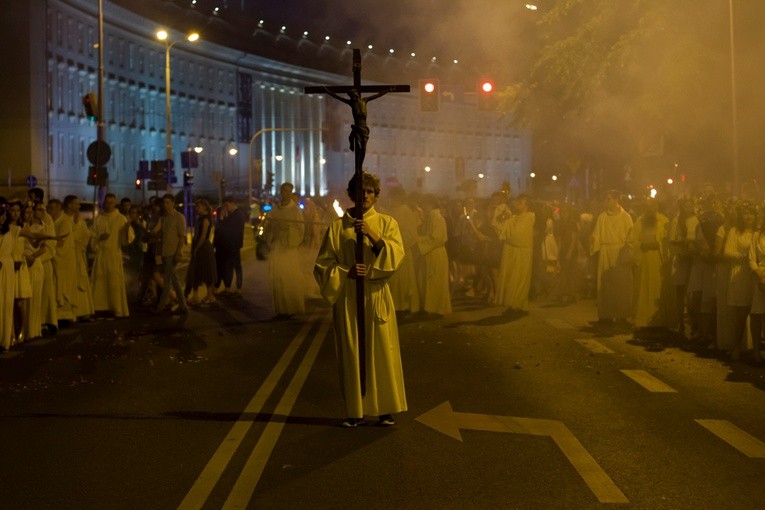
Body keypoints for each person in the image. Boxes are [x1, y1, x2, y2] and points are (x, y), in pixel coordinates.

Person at [314, 171, 407, 427]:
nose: (365, 195)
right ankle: (355, 411)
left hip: (376, 294)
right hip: (349, 297)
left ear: (376, 195)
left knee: (381, 351)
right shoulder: (337, 227)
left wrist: (371, 234)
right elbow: (323, 264)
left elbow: (396, 256)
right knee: (353, 352)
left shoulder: (387, 223)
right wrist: (346, 272)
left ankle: (385, 408)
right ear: (351, 194)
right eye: (360, 190)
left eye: (370, 191)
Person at [591, 190, 634, 326]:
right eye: (606, 199)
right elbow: (596, 235)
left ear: (616, 200)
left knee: (621, 285)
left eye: (609, 199)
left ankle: (622, 315)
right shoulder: (602, 217)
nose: (607, 202)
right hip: (606, 252)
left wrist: (629, 254)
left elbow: (631, 237)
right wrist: (595, 250)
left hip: (620, 253)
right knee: (605, 284)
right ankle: (606, 315)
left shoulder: (626, 217)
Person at [267, 182, 306, 318]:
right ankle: (281, 310)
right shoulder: (275, 209)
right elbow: (269, 226)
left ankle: (290, 309)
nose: (285, 193)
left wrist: (288, 229)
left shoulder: (296, 210)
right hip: (277, 247)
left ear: (291, 193)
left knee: (288, 279)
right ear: (280, 192)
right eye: (283, 191)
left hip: (289, 249)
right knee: (277, 278)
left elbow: (301, 230)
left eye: (288, 191)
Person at [323, 87, 388, 169]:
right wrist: (327, 91)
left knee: (363, 149)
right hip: (357, 128)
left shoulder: (364, 100)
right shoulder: (351, 103)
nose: (353, 97)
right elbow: (338, 97)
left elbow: (377, 95)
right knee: (359, 148)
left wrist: (387, 90)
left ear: (357, 94)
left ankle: (359, 166)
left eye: (353, 94)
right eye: (351, 96)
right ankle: (357, 168)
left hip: (364, 128)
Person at [493, 194, 536, 315]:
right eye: (518, 202)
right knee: (511, 278)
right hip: (513, 253)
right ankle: (512, 304)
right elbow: (500, 227)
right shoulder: (515, 218)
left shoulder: (529, 218)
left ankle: (517, 304)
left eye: (521, 203)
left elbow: (518, 236)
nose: (517, 204)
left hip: (522, 254)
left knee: (519, 279)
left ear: (527, 205)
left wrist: (506, 235)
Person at [630, 198, 669, 328]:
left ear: (657, 207)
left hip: (658, 260)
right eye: (646, 206)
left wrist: (659, 244)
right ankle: (643, 319)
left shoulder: (664, 221)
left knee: (657, 288)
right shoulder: (639, 222)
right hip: (644, 260)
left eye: (652, 206)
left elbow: (667, 240)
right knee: (643, 288)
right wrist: (642, 244)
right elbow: (631, 241)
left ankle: (657, 319)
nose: (649, 209)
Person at [90, 193, 131, 318]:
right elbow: (92, 237)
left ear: (115, 203)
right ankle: (100, 307)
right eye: (107, 202)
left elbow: (125, 241)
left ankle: (116, 308)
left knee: (114, 282)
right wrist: (99, 238)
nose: (109, 205)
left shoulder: (120, 219)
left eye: (111, 202)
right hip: (102, 255)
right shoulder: (99, 219)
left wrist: (126, 230)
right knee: (100, 282)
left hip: (114, 254)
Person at [415, 194, 452, 316]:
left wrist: (419, 241)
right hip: (430, 252)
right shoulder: (431, 217)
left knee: (436, 282)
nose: (423, 207)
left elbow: (437, 238)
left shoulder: (437, 218)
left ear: (430, 205)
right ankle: (430, 307)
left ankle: (437, 308)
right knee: (430, 281)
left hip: (436, 253)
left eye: (424, 205)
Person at [386, 187, 421, 315]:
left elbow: (412, 235)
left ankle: (403, 307)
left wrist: (397, 240)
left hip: (402, 253)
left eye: (392, 198)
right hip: (390, 253)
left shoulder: (407, 212)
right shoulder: (389, 212)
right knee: (393, 282)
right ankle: (393, 306)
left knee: (403, 282)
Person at [152, 194, 188, 315]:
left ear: (173, 203)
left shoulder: (179, 217)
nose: (165, 205)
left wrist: (179, 252)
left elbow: (182, 236)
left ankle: (160, 307)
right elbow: (156, 230)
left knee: (167, 282)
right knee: (175, 280)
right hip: (165, 253)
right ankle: (183, 306)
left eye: (168, 202)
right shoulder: (164, 217)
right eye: (164, 202)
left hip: (173, 253)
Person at [65, 196, 94, 321]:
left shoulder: (79, 220)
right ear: (69, 205)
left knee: (81, 281)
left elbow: (86, 235)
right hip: (68, 256)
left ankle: (82, 311)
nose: (79, 206)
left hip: (78, 254)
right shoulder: (64, 219)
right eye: (76, 204)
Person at [49, 198, 77, 324]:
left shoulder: (64, 223)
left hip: (64, 261)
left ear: (59, 209)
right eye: (49, 209)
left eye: (52, 208)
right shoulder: (52, 222)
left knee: (63, 286)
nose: (50, 211)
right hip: (57, 260)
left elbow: (61, 243)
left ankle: (64, 316)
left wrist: (49, 244)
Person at [214, 196, 247, 296]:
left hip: (234, 245)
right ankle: (227, 287)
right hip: (226, 245)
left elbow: (228, 230)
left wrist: (222, 218)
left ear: (233, 203)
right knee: (226, 266)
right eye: (223, 205)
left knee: (236, 267)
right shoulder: (230, 214)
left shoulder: (238, 215)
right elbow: (219, 230)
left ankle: (238, 288)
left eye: (226, 205)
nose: (225, 207)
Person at [187, 199, 217, 305]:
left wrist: (196, 248)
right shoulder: (200, 218)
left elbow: (203, 236)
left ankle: (210, 295)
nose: (196, 209)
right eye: (196, 207)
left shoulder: (205, 219)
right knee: (196, 271)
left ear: (204, 207)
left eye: (198, 206)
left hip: (204, 247)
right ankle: (196, 296)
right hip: (200, 245)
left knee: (206, 271)